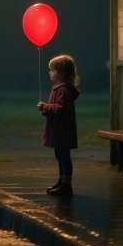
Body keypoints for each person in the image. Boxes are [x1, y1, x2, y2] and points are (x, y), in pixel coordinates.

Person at [37, 54, 80, 197]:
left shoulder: (63, 90)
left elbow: (61, 109)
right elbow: (57, 109)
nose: (50, 72)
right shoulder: (59, 88)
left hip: (63, 130)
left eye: (53, 70)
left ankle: (67, 185)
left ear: (62, 73)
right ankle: (61, 181)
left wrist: (46, 106)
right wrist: (47, 110)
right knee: (60, 155)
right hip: (59, 129)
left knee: (64, 156)